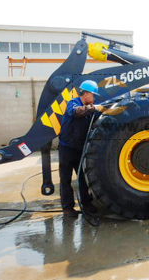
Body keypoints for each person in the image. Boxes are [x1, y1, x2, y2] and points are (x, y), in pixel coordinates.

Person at [59, 80, 101, 217]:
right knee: (65, 180)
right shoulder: (74, 103)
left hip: (80, 150)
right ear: (87, 93)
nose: (93, 99)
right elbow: (77, 112)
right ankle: (67, 208)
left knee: (83, 179)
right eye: (93, 95)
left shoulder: (89, 109)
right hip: (66, 149)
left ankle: (87, 205)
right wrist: (95, 107)